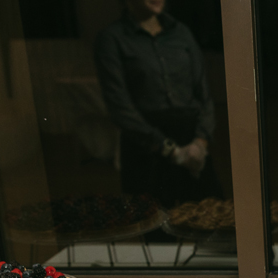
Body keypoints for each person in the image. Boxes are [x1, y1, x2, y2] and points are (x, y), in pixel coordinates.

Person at [94, 0, 222, 207]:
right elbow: (119, 106)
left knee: (210, 220)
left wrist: (201, 141)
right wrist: (170, 150)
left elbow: (203, 94)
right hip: (146, 148)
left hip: (191, 144)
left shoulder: (181, 33)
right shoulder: (112, 38)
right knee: (157, 228)